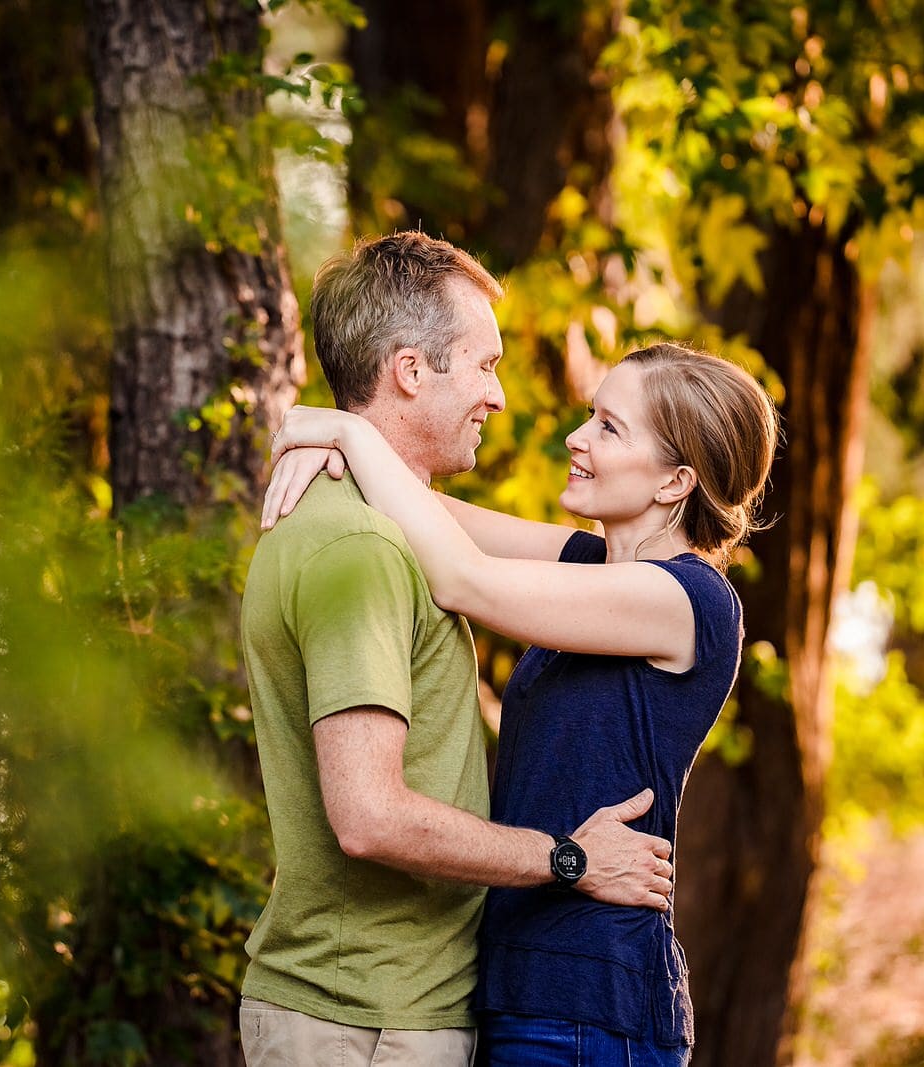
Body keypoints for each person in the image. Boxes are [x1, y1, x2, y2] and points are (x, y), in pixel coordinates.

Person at [262, 340, 780, 1066]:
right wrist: (318, 445)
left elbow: (462, 578)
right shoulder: (588, 564)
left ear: (675, 481)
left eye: (608, 426)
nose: (577, 436)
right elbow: (427, 510)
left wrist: (345, 433)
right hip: (522, 987)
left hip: (592, 1008)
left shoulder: (689, 601)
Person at [237, 231, 675, 1067]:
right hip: (363, 1021)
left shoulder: (393, 532)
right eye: (485, 365)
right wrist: (569, 858)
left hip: (388, 1011)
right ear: (410, 370)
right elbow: (368, 814)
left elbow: (513, 557)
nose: (498, 397)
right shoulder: (360, 549)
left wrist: (346, 436)